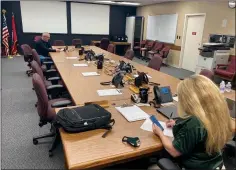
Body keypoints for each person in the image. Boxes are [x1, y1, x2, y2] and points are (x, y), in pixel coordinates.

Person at [152, 75, 232, 169]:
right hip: (216, 164)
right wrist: (178, 124)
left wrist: (160, 133)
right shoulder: (217, 113)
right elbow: (202, 132)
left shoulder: (195, 123)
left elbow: (173, 151)